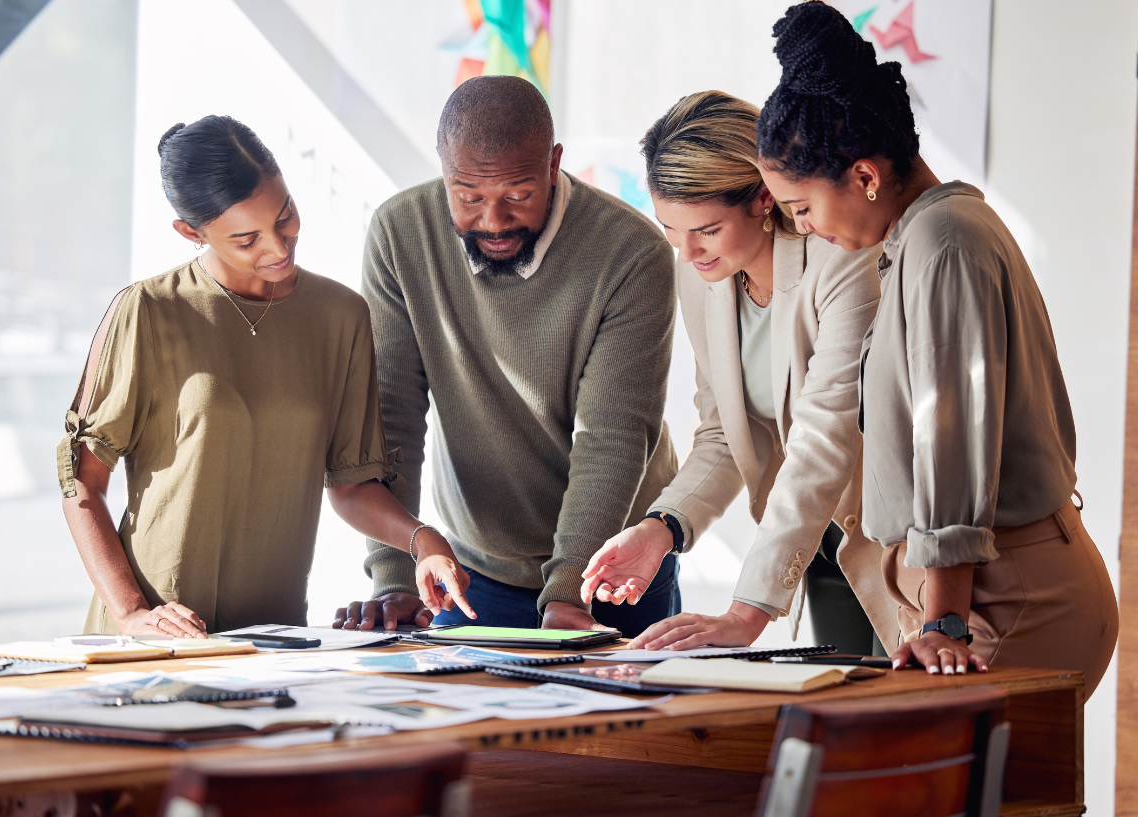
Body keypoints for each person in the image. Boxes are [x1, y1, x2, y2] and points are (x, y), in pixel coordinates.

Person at [756, 1, 1118, 695]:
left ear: (863, 177)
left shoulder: (945, 242)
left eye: (801, 210)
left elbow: (950, 439)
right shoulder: (919, 239)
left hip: (1005, 602)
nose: (803, 230)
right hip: (969, 596)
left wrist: (946, 621)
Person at [59, 115, 473, 637]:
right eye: (246, 238)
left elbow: (350, 485)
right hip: (156, 635)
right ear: (192, 232)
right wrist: (130, 613)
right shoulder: (149, 311)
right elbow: (82, 479)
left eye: (285, 218)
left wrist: (423, 539)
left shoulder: (340, 316)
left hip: (273, 639)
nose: (278, 248)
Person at [333, 76, 679, 636]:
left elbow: (611, 437)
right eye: (469, 197)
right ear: (444, 173)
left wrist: (569, 592)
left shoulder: (631, 253)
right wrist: (395, 575)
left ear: (553, 163)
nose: (493, 221)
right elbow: (390, 415)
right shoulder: (401, 234)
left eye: (518, 194)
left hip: (613, 568)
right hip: (473, 569)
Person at [580, 91, 895, 654]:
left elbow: (825, 435)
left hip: (901, 545)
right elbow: (725, 432)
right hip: (817, 546)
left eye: (704, 229)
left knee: (919, 729)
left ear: (761, 198)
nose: (688, 252)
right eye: (672, 231)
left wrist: (745, 611)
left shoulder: (842, 261)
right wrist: (661, 529)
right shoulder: (704, 280)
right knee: (842, 728)